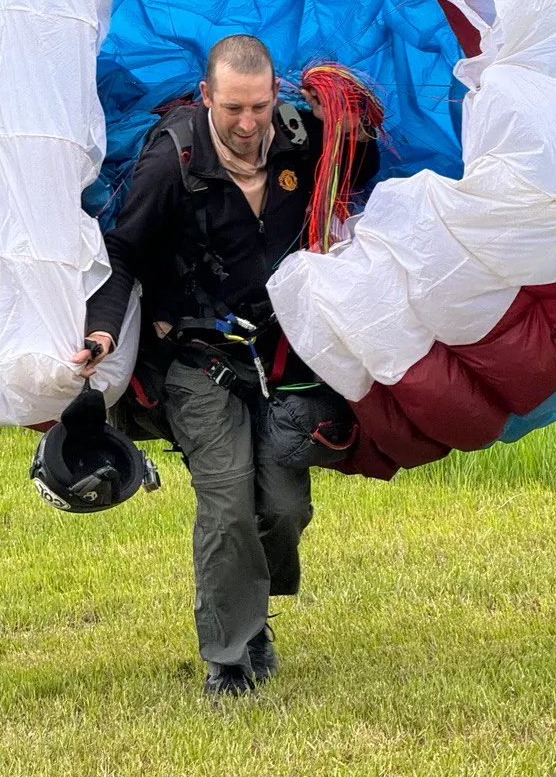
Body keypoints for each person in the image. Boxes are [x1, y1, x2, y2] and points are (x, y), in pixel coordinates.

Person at [74, 35, 378, 699]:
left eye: (260, 108)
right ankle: (230, 658)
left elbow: (364, 177)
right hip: (194, 358)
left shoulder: (301, 142)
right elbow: (120, 251)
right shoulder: (172, 159)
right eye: (233, 108)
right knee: (228, 499)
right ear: (207, 97)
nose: (247, 125)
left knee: (284, 510)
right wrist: (102, 331)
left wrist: (358, 125)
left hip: (279, 357)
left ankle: (251, 606)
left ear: (277, 97)